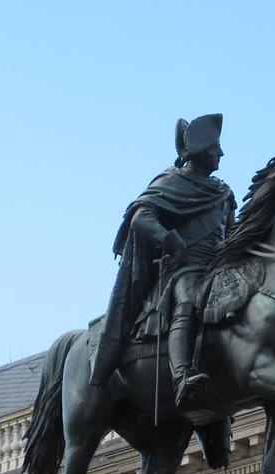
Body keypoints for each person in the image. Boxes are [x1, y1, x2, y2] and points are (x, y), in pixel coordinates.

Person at [90, 114, 236, 409]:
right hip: (186, 267)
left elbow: (232, 233)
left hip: (219, 267)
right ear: (199, 151)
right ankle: (181, 375)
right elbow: (140, 217)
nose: (221, 153)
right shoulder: (171, 182)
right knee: (189, 298)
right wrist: (169, 238)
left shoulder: (223, 192)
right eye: (215, 147)